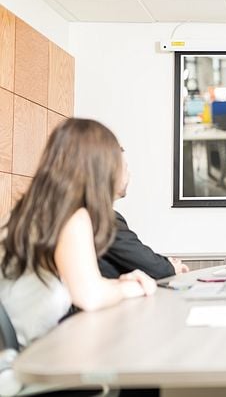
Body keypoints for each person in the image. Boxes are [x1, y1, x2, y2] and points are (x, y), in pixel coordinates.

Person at [0, 118, 156, 348]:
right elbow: (89, 297)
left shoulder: (29, 211)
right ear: (100, 169)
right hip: (29, 365)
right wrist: (131, 288)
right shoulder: (73, 217)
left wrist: (118, 284)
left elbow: (83, 284)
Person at [98, 151, 189, 279]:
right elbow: (150, 266)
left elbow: (135, 257)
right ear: (110, 174)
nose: (129, 174)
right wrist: (170, 267)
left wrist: (166, 263)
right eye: (125, 168)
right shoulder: (104, 219)